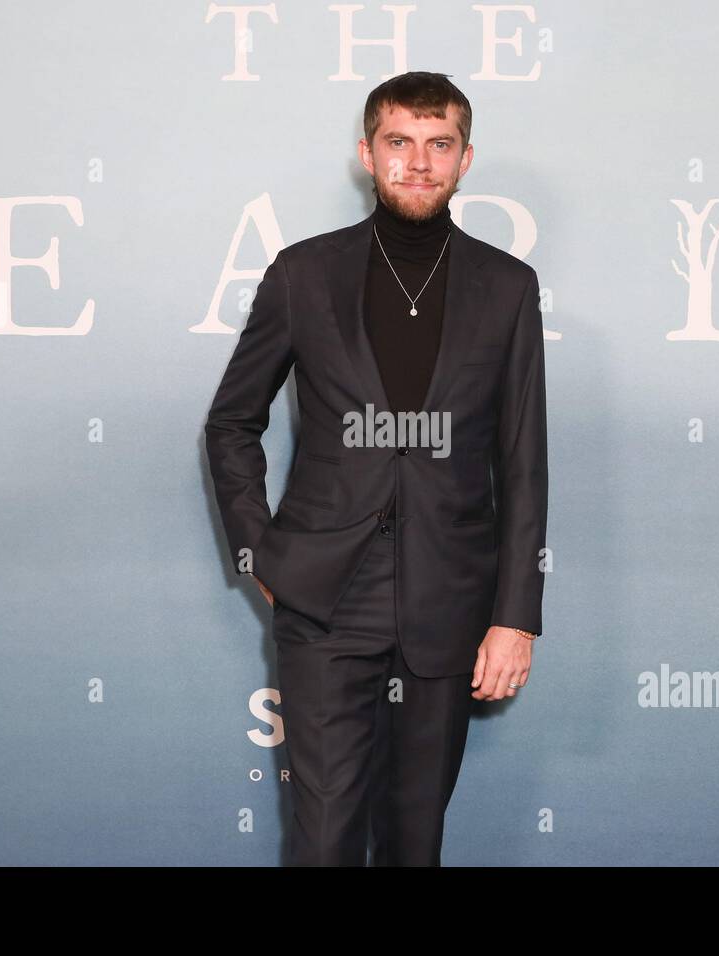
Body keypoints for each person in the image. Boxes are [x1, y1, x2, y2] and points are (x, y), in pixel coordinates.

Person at [205, 71, 548, 865]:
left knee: (413, 842)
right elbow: (231, 423)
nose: (418, 162)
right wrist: (264, 553)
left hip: (450, 597)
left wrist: (516, 614)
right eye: (399, 143)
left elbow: (523, 459)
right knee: (323, 842)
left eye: (439, 145)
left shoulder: (507, 287)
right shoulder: (304, 273)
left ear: (466, 158)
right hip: (326, 597)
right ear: (367, 153)